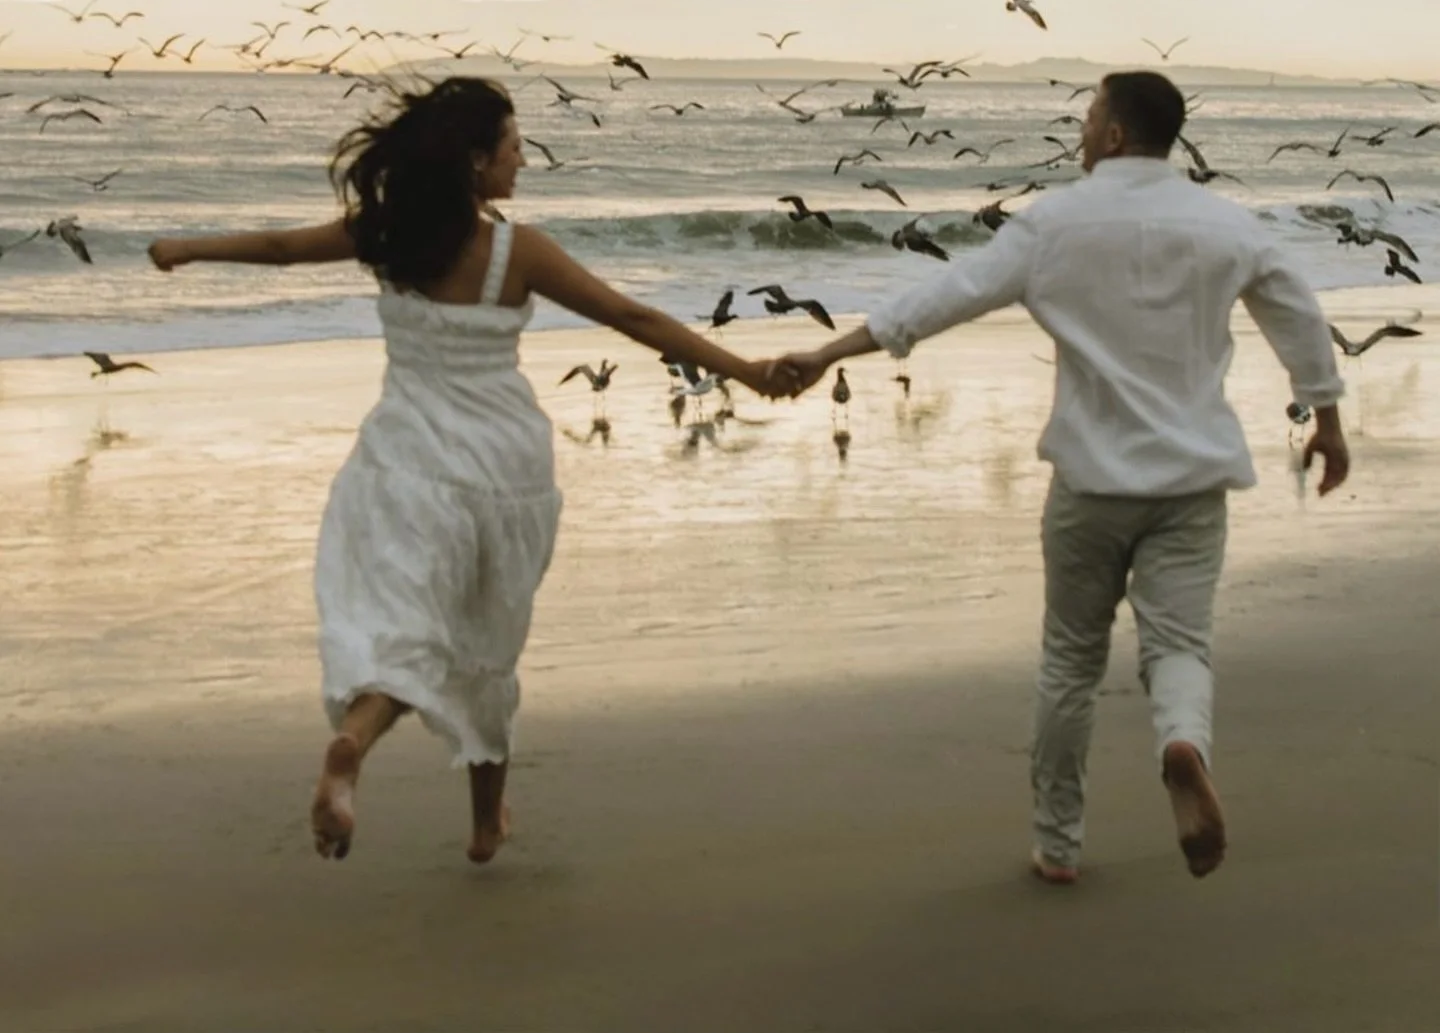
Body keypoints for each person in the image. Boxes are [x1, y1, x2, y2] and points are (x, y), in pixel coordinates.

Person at [148, 76, 784, 864]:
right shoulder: (517, 252)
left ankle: (354, 740)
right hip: (499, 468)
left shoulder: (385, 234)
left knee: (405, 627)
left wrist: (188, 247)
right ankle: (486, 824)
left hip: (401, 460)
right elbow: (634, 317)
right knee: (486, 638)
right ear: (476, 161)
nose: (523, 160)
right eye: (514, 147)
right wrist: (749, 372)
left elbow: (281, 251)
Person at [773, 71, 1349, 884]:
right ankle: (1181, 740)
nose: (1080, 132)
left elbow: (950, 293)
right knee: (1180, 642)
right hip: (1191, 479)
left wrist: (831, 351)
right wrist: (1324, 417)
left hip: (1091, 480)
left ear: (1114, 135)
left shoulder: (1055, 224)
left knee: (1070, 661)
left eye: (1087, 117)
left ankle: (1058, 843)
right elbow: (1295, 308)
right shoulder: (1225, 224)